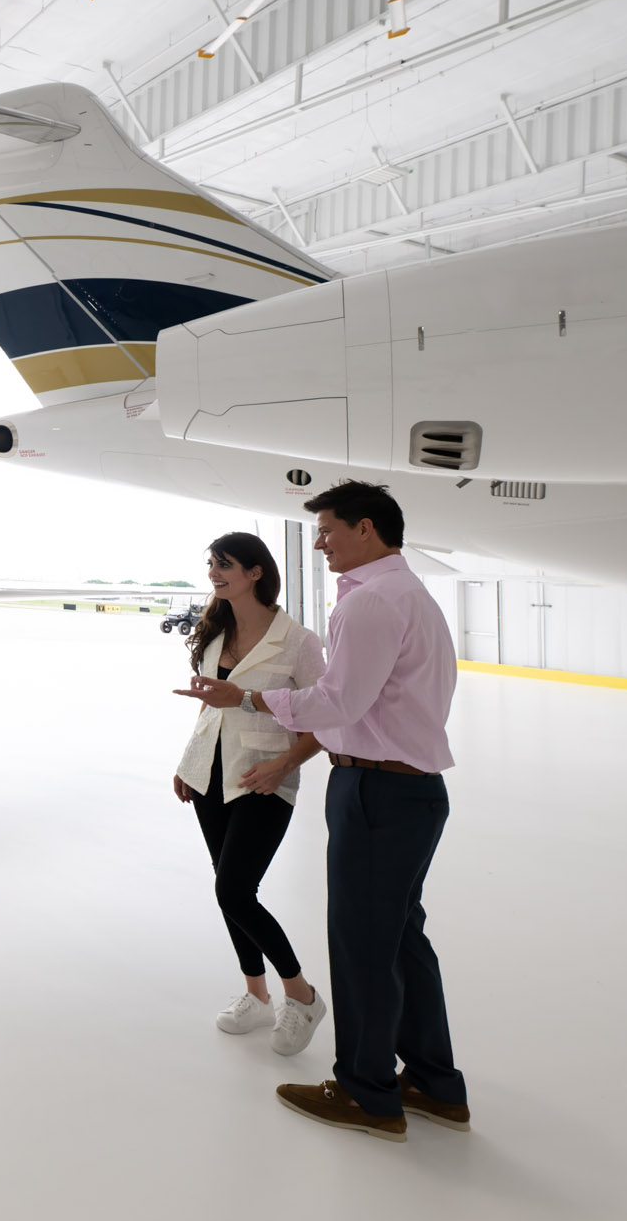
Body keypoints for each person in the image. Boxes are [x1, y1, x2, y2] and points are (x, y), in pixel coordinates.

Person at [178, 481, 467, 1143]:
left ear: (366, 528)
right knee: (401, 941)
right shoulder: (410, 595)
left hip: (376, 788)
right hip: (409, 788)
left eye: (328, 530)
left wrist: (249, 699)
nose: (319, 544)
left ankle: (367, 1093)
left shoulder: (368, 603)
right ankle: (433, 1082)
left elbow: (338, 702)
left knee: (363, 945)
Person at [172, 533, 328, 1056]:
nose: (214, 573)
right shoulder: (215, 632)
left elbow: (324, 720)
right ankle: (256, 996)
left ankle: (301, 995)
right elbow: (210, 704)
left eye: (225, 564)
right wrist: (189, 761)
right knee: (229, 890)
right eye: (211, 564)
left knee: (234, 890)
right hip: (210, 773)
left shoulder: (299, 642)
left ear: (256, 572)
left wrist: (284, 765)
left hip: (265, 777)